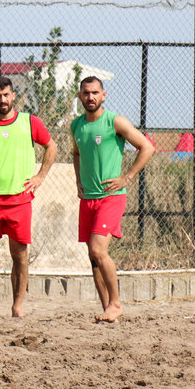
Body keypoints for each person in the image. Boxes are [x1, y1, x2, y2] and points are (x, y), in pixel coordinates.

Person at [0, 76, 58, 318]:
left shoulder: (29, 122)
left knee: (20, 254)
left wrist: (39, 177)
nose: (2, 99)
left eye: (6, 95)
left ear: (13, 95)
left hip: (19, 199)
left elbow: (52, 147)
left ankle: (17, 306)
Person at [71, 76, 154, 322]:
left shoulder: (114, 121)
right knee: (93, 257)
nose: (90, 97)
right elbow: (76, 153)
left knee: (99, 249)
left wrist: (126, 178)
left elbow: (146, 147)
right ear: (80, 96)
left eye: (95, 92)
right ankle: (108, 309)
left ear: (103, 95)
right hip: (88, 199)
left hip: (111, 197)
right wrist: (78, 180)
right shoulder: (76, 125)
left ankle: (116, 304)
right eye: (86, 93)